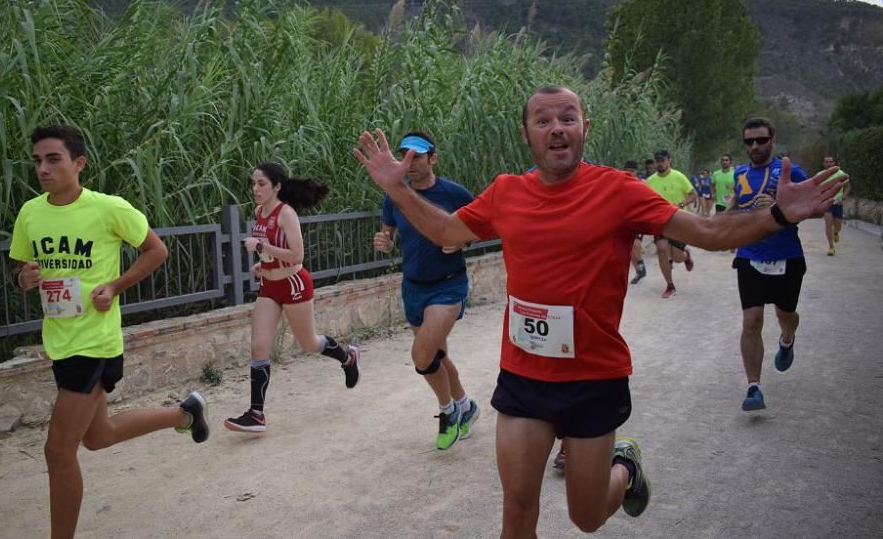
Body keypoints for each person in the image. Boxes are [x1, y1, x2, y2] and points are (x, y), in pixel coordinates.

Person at [353, 85, 841, 536]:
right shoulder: (506, 193)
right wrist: (398, 189)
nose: (557, 127)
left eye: (568, 117)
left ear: (586, 126)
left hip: (594, 379)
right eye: (543, 121)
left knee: (585, 517)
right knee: (517, 512)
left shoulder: (619, 191)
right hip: (525, 378)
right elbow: (444, 232)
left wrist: (778, 214)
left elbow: (709, 234)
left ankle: (624, 469)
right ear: (526, 134)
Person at [9, 125, 210, 539]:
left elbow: (156, 250)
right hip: (59, 341)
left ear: (78, 163)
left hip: (95, 341)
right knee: (99, 437)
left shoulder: (108, 208)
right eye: (37, 160)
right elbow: (23, 270)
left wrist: (115, 287)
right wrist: (23, 280)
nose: (42, 168)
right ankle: (184, 413)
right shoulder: (31, 213)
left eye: (53, 159)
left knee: (58, 450)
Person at [225, 162, 360, 432]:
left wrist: (262, 246)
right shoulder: (259, 212)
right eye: (253, 184)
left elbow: (297, 256)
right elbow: (272, 253)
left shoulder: (286, 214)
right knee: (258, 347)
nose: (255, 189)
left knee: (308, 343)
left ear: (277, 186)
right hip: (269, 287)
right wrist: (263, 264)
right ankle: (256, 415)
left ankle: (348, 358)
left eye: (261, 184)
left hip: (294, 284)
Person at [372, 131, 480, 450]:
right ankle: (466, 406)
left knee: (422, 355)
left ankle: (447, 413)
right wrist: (384, 242)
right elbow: (388, 233)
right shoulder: (395, 196)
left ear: (432, 158)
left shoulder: (455, 194)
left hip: (449, 286)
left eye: (416, 156)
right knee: (437, 355)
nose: (409, 162)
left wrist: (463, 240)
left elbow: (482, 227)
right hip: (413, 287)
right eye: (403, 155)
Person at [724, 118, 809, 412]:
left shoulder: (790, 171)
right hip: (750, 255)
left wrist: (776, 210)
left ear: (772, 139)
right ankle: (754, 387)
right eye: (749, 141)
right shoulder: (740, 174)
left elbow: (805, 209)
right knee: (751, 320)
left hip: (787, 255)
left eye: (761, 140)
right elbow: (736, 208)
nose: (755, 146)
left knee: (786, 315)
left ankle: (787, 339)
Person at [646, 149, 697, 298]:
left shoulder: (679, 176)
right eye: (658, 161)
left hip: (678, 220)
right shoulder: (651, 181)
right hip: (660, 221)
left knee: (677, 257)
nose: (660, 163)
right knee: (662, 249)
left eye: (662, 160)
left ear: (669, 161)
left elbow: (693, 195)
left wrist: (680, 204)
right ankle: (670, 285)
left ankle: (686, 256)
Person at [623, 160, 648, 285]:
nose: (629, 173)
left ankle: (641, 268)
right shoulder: (619, 182)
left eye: (632, 171)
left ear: (636, 172)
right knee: (630, 248)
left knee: (636, 244)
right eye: (627, 170)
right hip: (623, 219)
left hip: (638, 218)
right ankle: (639, 270)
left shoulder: (642, 183)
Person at [821, 156, 850, 256]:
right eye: (826, 162)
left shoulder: (840, 174)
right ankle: (831, 247)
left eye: (830, 162)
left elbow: (847, 186)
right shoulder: (820, 175)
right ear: (823, 164)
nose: (829, 164)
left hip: (838, 203)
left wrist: (844, 197)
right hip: (826, 203)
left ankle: (836, 232)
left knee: (838, 226)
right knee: (828, 224)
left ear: (834, 163)